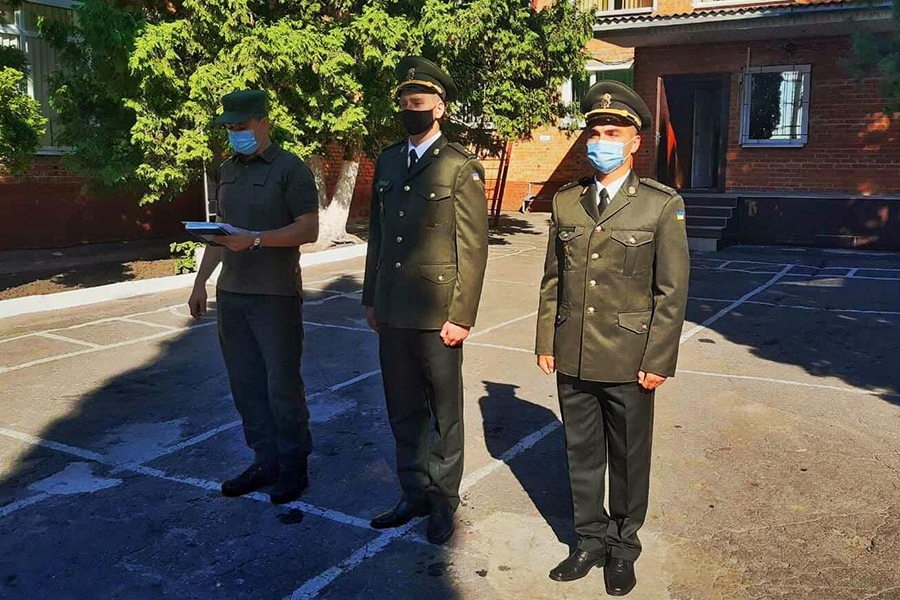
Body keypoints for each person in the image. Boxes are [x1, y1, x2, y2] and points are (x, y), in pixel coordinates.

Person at [535, 81, 690, 596]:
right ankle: (589, 541)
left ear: (634, 142)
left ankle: (623, 548)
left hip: (629, 357)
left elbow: (671, 291)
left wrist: (659, 358)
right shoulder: (567, 201)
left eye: (613, 132)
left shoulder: (659, 205)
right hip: (574, 350)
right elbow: (553, 279)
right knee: (581, 455)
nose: (601, 140)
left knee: (626, 458)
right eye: (595, 132)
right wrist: (546, 340)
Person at [362, 56, 489, 545]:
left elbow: (472, 249)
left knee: (443, 413)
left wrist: (462, 315)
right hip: (393, 309)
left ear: (439, 107)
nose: (408, 109)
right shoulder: (390, 160)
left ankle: (442, 501)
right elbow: (379, 236)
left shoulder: (459, 166)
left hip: (439, 315)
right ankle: (412, 493)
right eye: (403, 102)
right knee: (402, 407)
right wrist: (371, 297)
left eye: (417, 101)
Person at [188, 89, 319, 505]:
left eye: (241, 126)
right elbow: (222, 234)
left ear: (264, 123)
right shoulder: (228, 170)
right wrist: (200, 283)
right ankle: (265, 461)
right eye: (229, 127)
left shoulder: (291, 168)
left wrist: (258, 239)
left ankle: (294, 466)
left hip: (275, 295)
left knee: (282, 385)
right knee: (245, 385)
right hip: (232, 294)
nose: (234, 133)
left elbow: (309, 229)